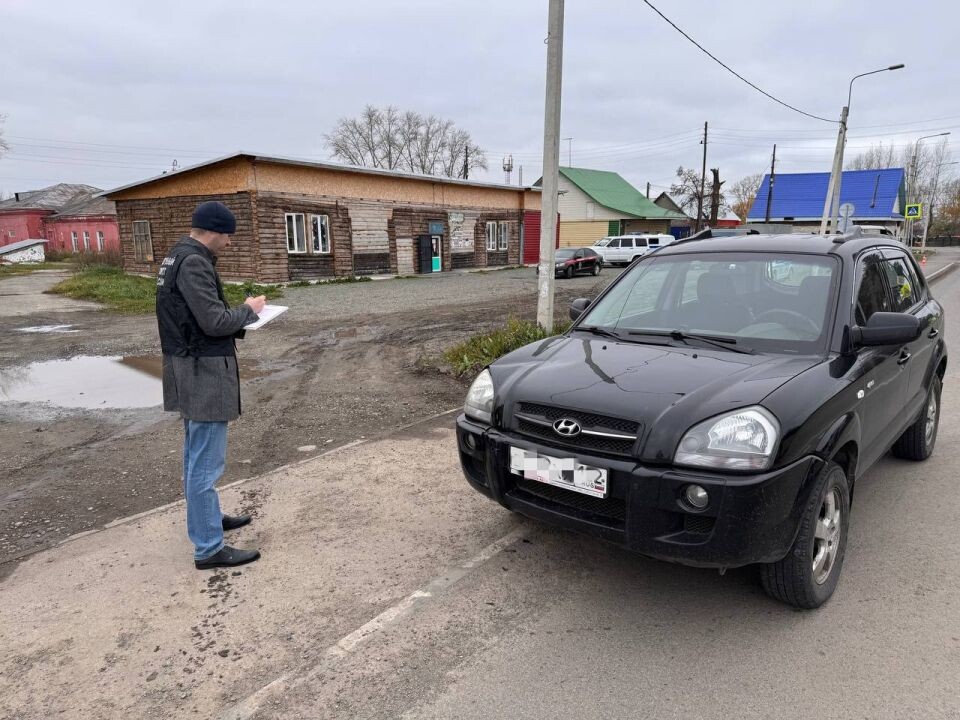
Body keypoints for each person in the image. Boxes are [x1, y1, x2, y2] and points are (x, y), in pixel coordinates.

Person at [156, 201, 266, 569]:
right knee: (205, 462)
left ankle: (208, 519)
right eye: (229, 236)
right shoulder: (195, 262)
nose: (230, 243)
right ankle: (208, 547)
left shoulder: (176, 256)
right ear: (215, 232)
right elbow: (215, 321)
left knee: (195, 454)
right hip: (202, 370)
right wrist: (250, 310)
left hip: (186, 364)